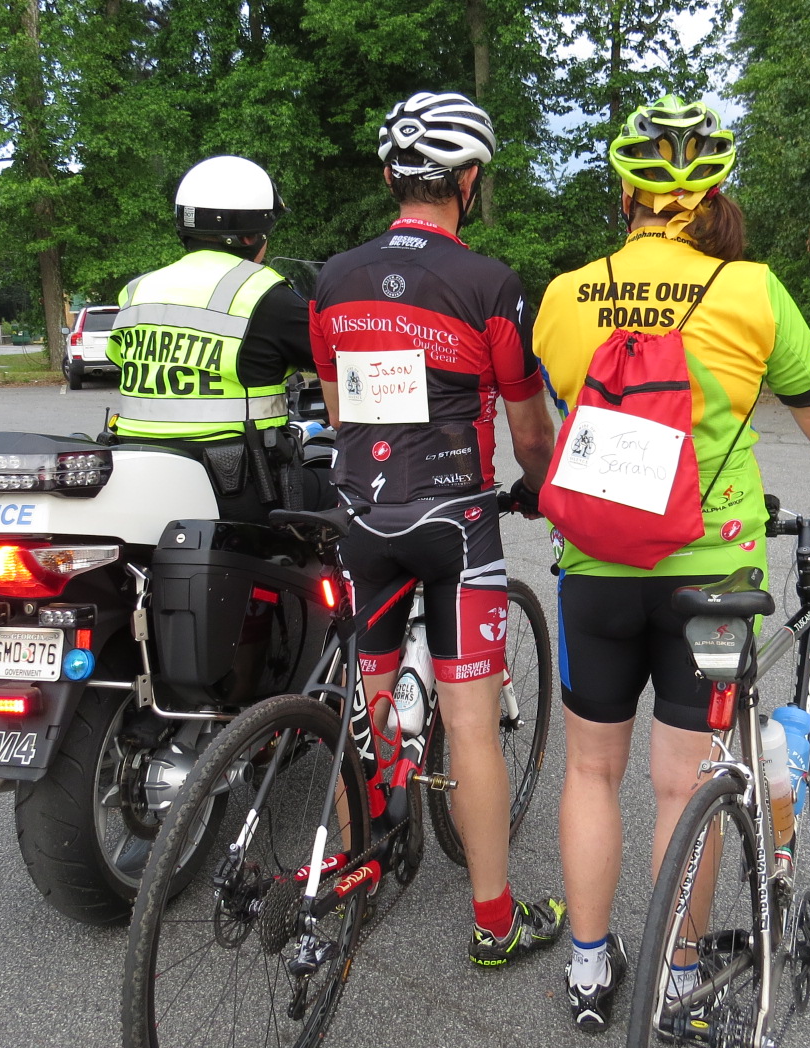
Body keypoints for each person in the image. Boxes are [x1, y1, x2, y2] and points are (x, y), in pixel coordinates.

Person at [532, 96, 810, 1032]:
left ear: (625, 194)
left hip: (595, 569)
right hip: (713, 574)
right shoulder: (751, 291)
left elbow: (561, 412)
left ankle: (588, 968)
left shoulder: (565, 295)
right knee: (684, 784)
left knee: (590, 771)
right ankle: (678, 973)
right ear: (712, 195)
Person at [308, 91, 566, 966]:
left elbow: (337, 405)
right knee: (470, 725)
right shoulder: (490, 284)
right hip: (454, 523)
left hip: (360, 515)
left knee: (366, 700)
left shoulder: (333, 279)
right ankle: (494, 924)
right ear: (469, 180)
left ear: (390, 176)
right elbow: (530, 429)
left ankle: (359, 871)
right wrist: (539, 489)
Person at [107, 154, 328, 518]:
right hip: (238, 487)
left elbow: (120, 358)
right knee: (348, 492)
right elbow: (337, 357)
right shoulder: (262, 293)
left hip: (140, 480)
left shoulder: (137, 291)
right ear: (250, 235)